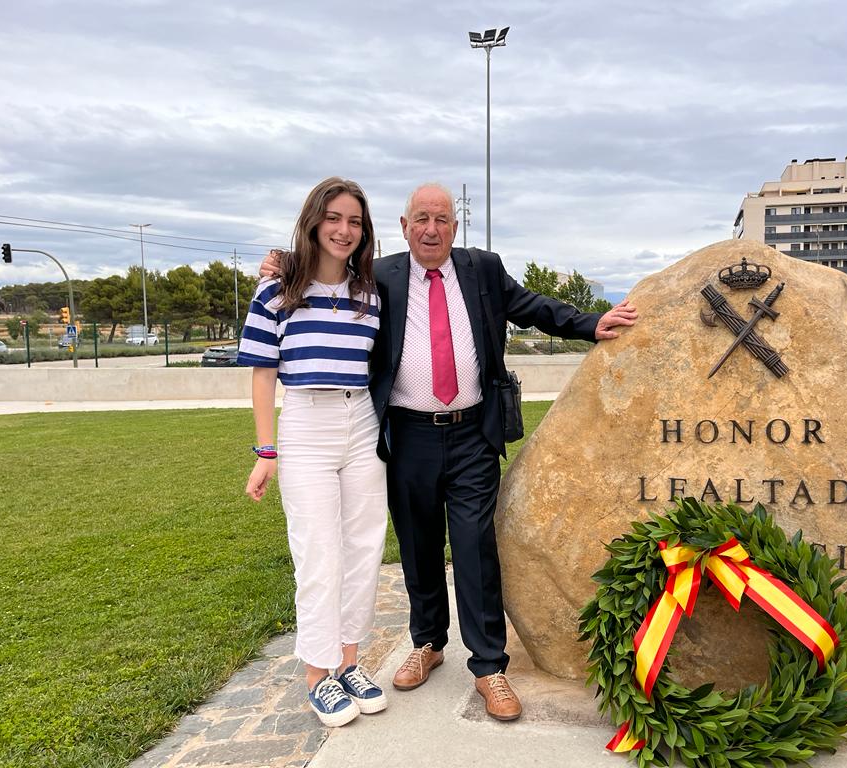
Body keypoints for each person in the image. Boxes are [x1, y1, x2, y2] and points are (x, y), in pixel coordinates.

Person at [263, 182, 637, 721]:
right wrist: (283, 264)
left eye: (441, 219)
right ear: (403, 225)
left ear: (454, 227)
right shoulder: (380, 275)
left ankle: (489, 668)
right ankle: (427, 643)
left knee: (473, 546)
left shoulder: (482, 268)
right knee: (417, 545)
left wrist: (589, 324)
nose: (431, 229)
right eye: (421, 219)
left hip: (471, 435)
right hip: (406, 434)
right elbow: (325, 273)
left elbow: (532, 306)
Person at [239, 177, 389, 728]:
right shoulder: (275, 291)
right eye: (334, 218)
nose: (343, 230)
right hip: (306, 421)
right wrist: (265, 450)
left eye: (354, 221)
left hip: (361, 421)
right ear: (313, 221)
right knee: (318, 552)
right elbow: (262, 373)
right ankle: (317, 674)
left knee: (364, 545)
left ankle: (349, 661)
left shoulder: (371, 293)